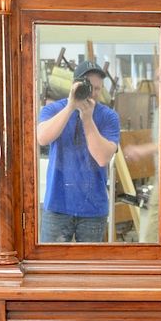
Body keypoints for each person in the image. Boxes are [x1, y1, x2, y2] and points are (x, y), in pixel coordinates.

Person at [37, 60, 120, 242]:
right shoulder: (54, 109)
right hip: (57, 205)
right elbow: (42, 138)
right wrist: (70, 106)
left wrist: (87, 119)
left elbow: (102, 158)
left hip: (93, 209)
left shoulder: (109, 116)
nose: (93, 93)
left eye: (98, 89)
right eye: (89, 87)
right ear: (75, 85)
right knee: (53, 267)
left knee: (90, 269)